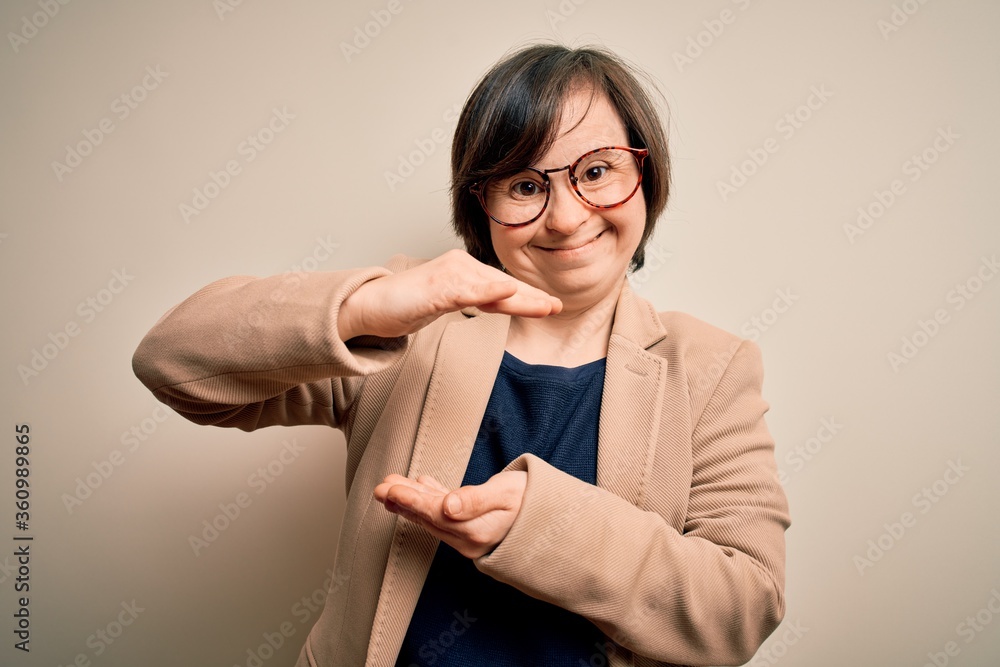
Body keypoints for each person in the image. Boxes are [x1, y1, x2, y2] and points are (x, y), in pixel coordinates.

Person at [133, 43, 790, 667]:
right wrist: (367, 305)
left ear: (644, 176)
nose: (566, 217)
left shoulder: (711, 366)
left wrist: (542, 525)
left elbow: (741, 608)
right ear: (481, 203)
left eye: (597, 171)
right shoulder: (410, 325)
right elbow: (172, 362)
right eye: (526, 185)